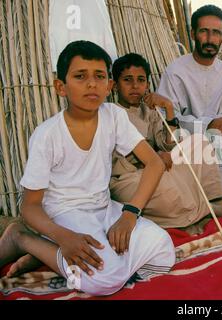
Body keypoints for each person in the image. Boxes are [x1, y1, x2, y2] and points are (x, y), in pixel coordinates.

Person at [0, 41, 175, 295]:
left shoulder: (114, 115)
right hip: (63, 215)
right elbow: (30, 207)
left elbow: (155, 163)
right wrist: (63, 236)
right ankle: (22, 239)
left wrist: (129, 215)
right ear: (61, 86)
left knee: (163, 251)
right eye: (80, 76)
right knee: (104, 281)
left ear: (109, 86)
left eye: (100, 76)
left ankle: (49, 254)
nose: (92, 83)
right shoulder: (47, 135)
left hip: (104, 208)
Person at [110, 53, 222, 228]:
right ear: (115, 86)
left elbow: (169, 144)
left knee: (199, 143)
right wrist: (154, 158)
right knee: (167, 192)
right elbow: (120, 160)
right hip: (129, 178)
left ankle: (200, 202)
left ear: (147, 84)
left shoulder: (149, 111)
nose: (135, 86)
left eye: (140, 80)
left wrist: (168, 109)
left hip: (160, 167)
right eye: (127, 80)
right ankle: (209, 209)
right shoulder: (110, 113)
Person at [157, 4, 222, 197]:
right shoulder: (176, 71)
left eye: (216, 33)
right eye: (204, 31)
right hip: (188, 145)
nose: (210, 39)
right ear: (193, 33)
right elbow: (166, 118)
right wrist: (208, 125)